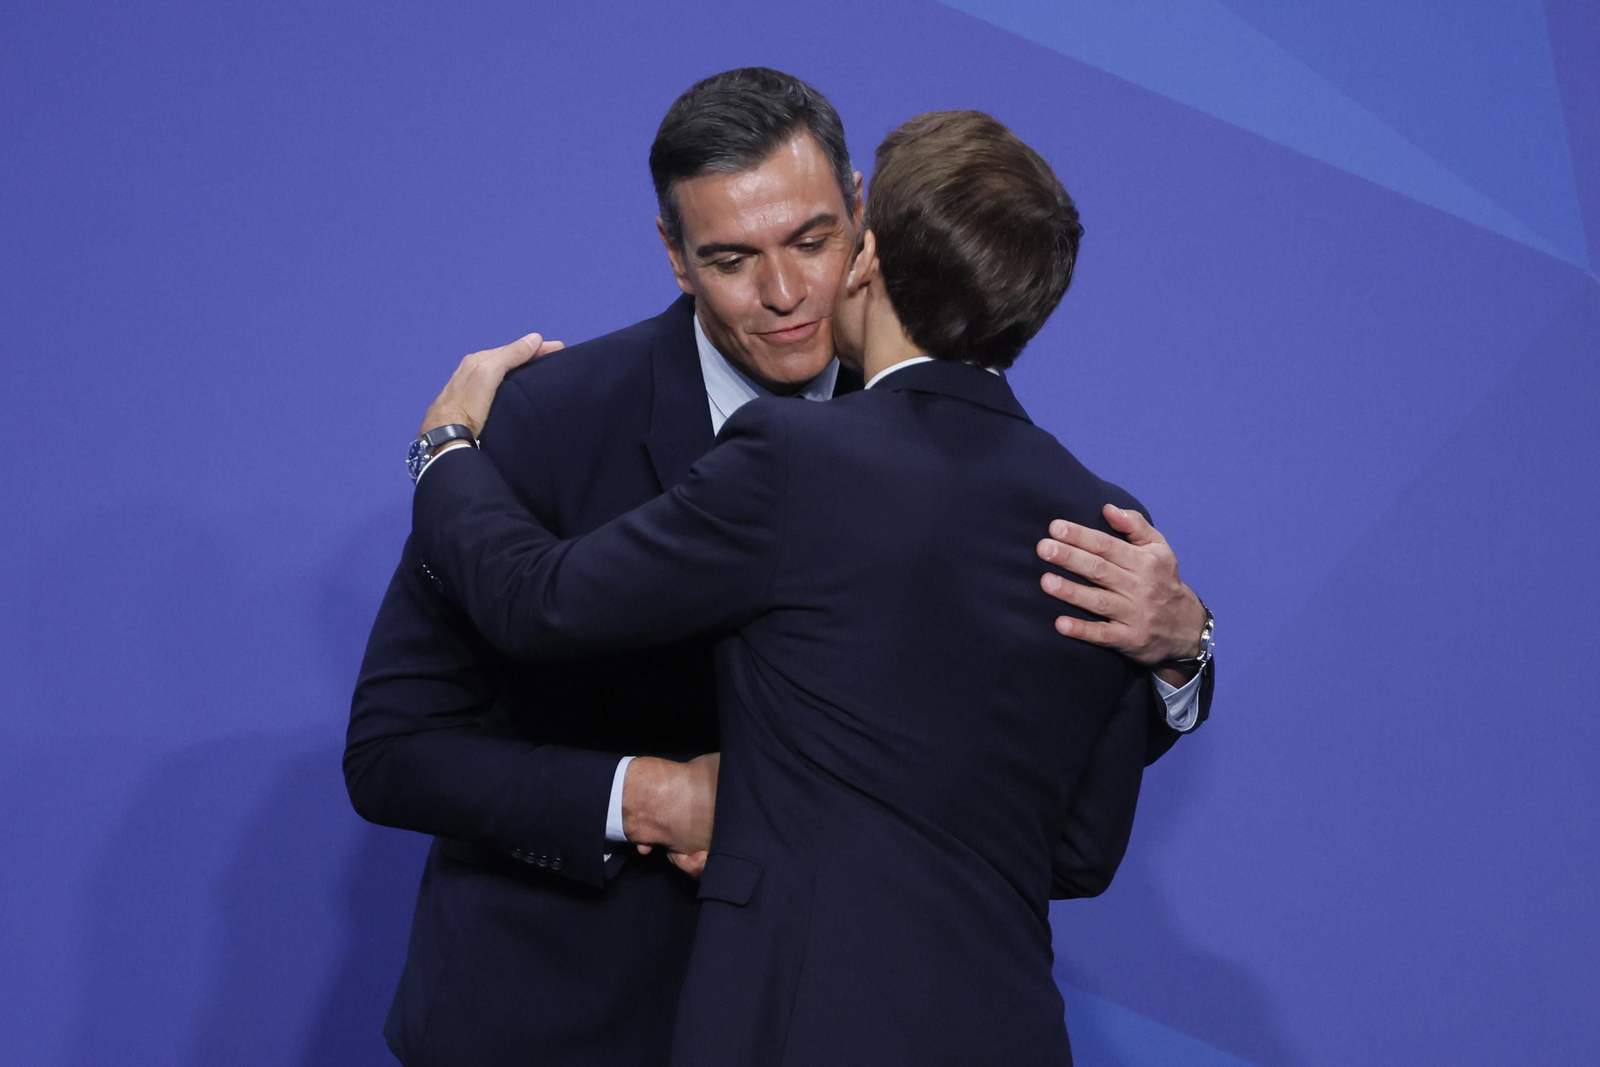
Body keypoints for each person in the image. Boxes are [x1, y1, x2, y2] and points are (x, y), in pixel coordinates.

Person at [346, 68, 1213, 1067]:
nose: (786, 291)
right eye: (731, 257)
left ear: (864, 222)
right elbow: (393, 749)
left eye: (810, 240)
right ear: (674, 257)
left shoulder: (958, 457)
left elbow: (1023, 779)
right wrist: (646, 795)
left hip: (822, 1018)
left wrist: (1184, 647)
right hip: (558, 1016)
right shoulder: (545, 421)